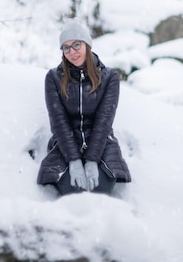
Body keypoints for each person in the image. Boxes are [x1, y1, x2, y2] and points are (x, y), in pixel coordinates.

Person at [37, 20, 131, 195]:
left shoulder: (109, 77)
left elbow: (104, 121)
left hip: (101, 141)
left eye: (76, 44)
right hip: (66, 142)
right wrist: (73, 160)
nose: (72, 52)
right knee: (73, 188)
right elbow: (59, 122)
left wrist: (92, 160)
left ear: (87, 45)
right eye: (66, 48)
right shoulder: (53, 78)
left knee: (100, 187)